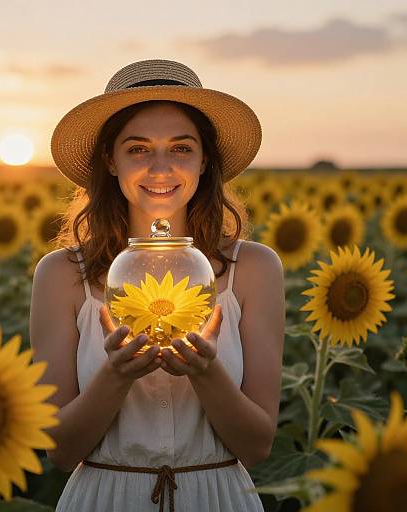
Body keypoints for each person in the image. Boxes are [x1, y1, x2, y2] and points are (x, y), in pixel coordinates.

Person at [30, 59, 285, 512]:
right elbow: (61, 452)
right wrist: (115, 375)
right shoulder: (61, 275)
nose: (161, 168)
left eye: (182, 148)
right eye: (139, 149)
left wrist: (207, 374)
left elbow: (259, 445)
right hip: (105, 499)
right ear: (110, 160)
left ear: (205, 160)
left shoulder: (255, 269)